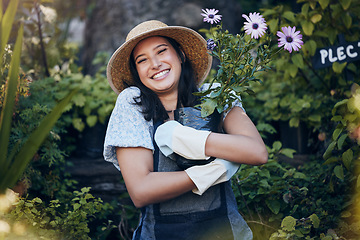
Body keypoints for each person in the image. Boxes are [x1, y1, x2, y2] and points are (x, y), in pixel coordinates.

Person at [104, 20, 268, 240]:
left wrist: (188, 139)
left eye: (162, 51)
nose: (154, 64)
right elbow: (141, 190)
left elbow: (256, 152)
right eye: (142, 60)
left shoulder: (216, 96)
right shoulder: (133, 106)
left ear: (180, 54)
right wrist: (209, 172)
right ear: (137, 73)